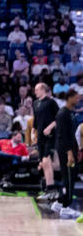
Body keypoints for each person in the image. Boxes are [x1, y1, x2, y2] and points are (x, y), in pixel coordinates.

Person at [50, 89, 80, 218]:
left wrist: (76, 149)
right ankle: (66, 207)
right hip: (65, 150)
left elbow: (71, 134)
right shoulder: (62, 114)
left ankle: (59, 203)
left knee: (71, 177)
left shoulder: (70, 113)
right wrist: (69, 153)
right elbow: (62, 136)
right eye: (76, 98)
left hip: (71, 149)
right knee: (68, 178)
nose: (78, 100)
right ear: (70, 98)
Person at [33, 82, 60, 202]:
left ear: (44, 89)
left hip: (50, 136)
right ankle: (49, 189)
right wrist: (34, 132)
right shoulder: (35, 103)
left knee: (46, 161)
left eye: (37, 89)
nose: (35, 92)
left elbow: (59, 118)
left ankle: (51, 189)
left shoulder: (51, 102)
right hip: (40, 138)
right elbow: (36, 120)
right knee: (43, 164)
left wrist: (49, 127)